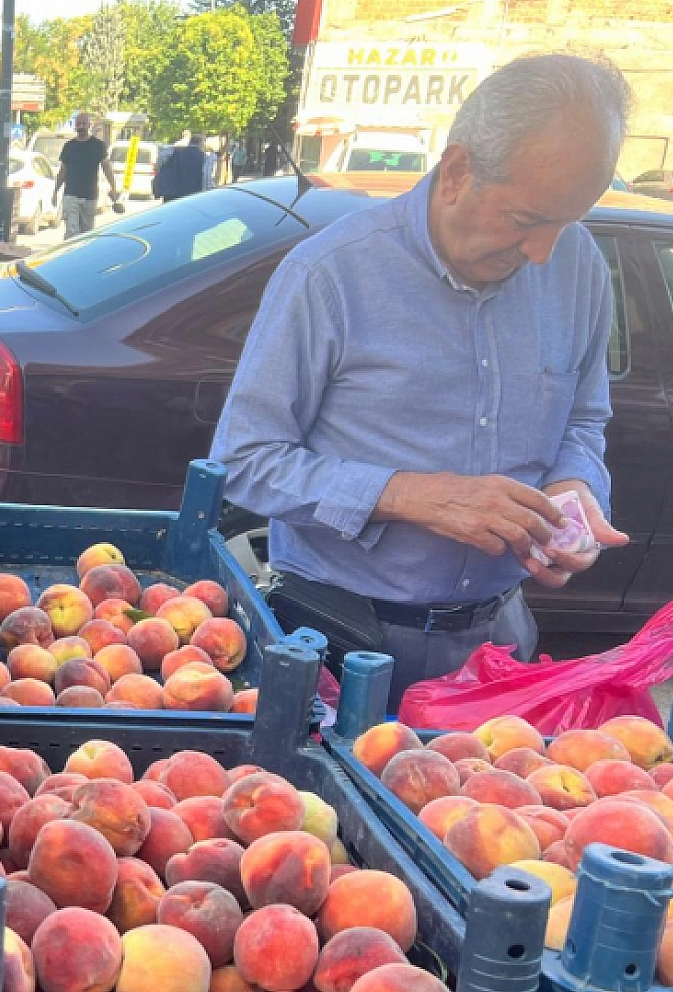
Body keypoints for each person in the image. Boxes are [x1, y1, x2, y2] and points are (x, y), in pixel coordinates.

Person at [212, 54, 633, 706]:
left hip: (499, 641)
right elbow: (241, 463)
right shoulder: (330, 275)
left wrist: (575, 484)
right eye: (526, 221)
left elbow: (584, 418)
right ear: (458, 172)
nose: (544, 253)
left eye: (567, 221)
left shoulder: (577, 266)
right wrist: (410, 495)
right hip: (338, 640)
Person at [52, 114, 122, 239]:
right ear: (75, 126)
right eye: (78, 124)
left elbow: (106, 167)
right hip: (71, 195)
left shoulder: (98, 146)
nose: (81, 127)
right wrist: (55, 191)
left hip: (90, 196)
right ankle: (71, 256)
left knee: (86, 234)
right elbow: (63, 170)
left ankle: (82, 256)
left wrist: (113, 188)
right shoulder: (69, 146)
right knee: (71, 232)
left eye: (84, 124)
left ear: (89, 125)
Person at [153, 133, 205, 203]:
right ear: (201, 143)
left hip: (171, 191)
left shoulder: (175, 151)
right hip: (191, 193)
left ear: (190, 141)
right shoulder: (202, 157)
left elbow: (161, 160)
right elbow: (205, 175)